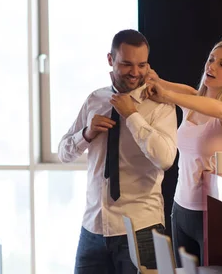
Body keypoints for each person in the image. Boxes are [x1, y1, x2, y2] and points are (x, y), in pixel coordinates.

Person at [58, 29, 178, 274]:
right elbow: (63, 153)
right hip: (93, 229)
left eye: (141, 64)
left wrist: (132, 116)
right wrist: (86, 135)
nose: (135, 72)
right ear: (110, 60)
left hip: (143, 229)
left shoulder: (160, 106)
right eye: (126, 64)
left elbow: (165, 159)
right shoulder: (95, 100)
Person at [144, 38, 222, 266]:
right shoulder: (193, 101)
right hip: (180, 208)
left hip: (210, 214)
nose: (211, 66)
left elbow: (218, 108)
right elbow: (178, 90)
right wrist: (154, 80)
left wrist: (166, 95)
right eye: (211, 59)